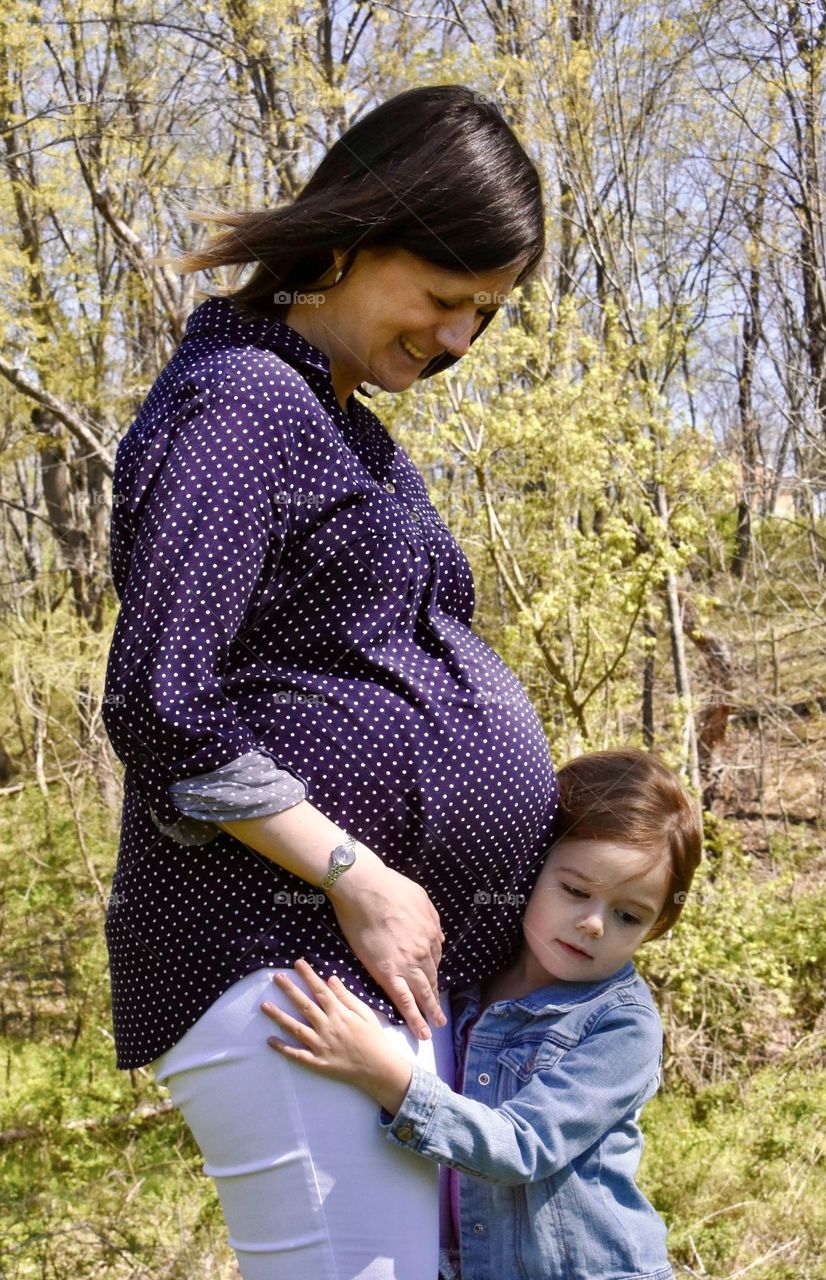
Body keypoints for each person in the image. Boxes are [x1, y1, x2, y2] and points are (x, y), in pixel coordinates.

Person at [100, 84, 559, 1280]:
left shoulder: (338, 420)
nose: (459, 339)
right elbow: (158, 697)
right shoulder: (244, 401)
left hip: (363, 974)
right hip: (282, 962)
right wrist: (354, 870)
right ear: (351, 240)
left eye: (487, 314)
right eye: (445, 297)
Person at [260, 749, 703, 1280]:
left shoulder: (622, 1025)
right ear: (532, 866)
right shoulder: (469, 977)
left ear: (656, 927)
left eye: (628, 915)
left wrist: (382, 1073)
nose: (592, 924)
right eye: (575, 890)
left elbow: (521, 1148)